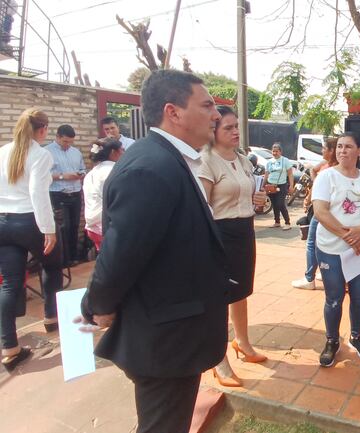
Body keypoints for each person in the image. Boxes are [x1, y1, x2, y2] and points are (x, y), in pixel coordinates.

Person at [78, 69, 231, 433]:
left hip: (176, 334)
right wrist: (97, 306)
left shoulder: (169, 158)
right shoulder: (150, 167)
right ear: (173, 112)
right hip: (165, 341)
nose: (216, 115)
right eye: (207, 105)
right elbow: (120, 255)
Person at [199, 105, 268, 387]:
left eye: (237, 126)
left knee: (241, 291)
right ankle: (218, 360)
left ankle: (243, 343)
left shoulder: (242, 160)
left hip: (244, 230)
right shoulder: (206, 161)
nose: (235, 131)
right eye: (228, 127)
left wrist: (258, 202)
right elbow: (202, 208)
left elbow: (248, 196)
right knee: (218, 297)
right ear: (213, 131)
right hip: (219, 234)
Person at [0, 108, 63, 371]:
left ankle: (9, 346)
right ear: (43, 129)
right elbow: (39, 193)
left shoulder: (4, 150)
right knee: (52, 265)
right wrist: (48, 229)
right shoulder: (40, 154)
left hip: (3, 221)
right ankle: (51, 316)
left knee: (10, 284)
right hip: (29, 221)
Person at [312, 132, 360, 367]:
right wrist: (348, 236)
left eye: (348, 147)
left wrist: (359, 231)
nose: (342, 150)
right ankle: (332, 341)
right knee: (334, 298)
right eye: (339, 146)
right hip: (331, 248)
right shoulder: (326, 177)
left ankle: (356, 336)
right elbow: (320, 211)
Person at [291, 136, 337, 290]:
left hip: (324, 212)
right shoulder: (326, 164)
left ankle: (309, 278)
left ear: (332, 151)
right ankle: (320, 273)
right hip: (318, 207)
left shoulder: (332, 170)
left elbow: (320, 187)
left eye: (325, 148)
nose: (322, 151)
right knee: (319, 243)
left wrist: (315, 184)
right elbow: (313, 170)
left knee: (312, 243)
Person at [44, 124, 85, 266]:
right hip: (58, 194)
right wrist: (62, 176)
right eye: (65, 141)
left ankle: (73, 257)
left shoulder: (76, 152)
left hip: (74, 193)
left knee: (74, 226)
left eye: (70, 142)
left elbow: (82, 168)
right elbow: (43, 175)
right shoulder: (46, 152)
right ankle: (62, 260)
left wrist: (80, 174)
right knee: (63, 227)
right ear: (57, 137)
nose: (68, 145)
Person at [82, 138, 124, 251]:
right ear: (113, 153)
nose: (124, 153)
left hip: (93, 226)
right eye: (122, 150)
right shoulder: (114, 171)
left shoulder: (91, 173)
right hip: (107, 226)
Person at [265, 142, 294, 230]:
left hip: (281, 185)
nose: (274, 153)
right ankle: (277, 222)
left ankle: (287, 223)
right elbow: (266, 174)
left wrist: (291, 186)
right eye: (273, 151)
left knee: (280, 204)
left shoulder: (285, 161)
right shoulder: (269, 162)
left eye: (276, 151)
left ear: (280, 152)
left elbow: (290, 174)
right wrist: (263, 185)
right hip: (270, 186)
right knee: (274, 204)